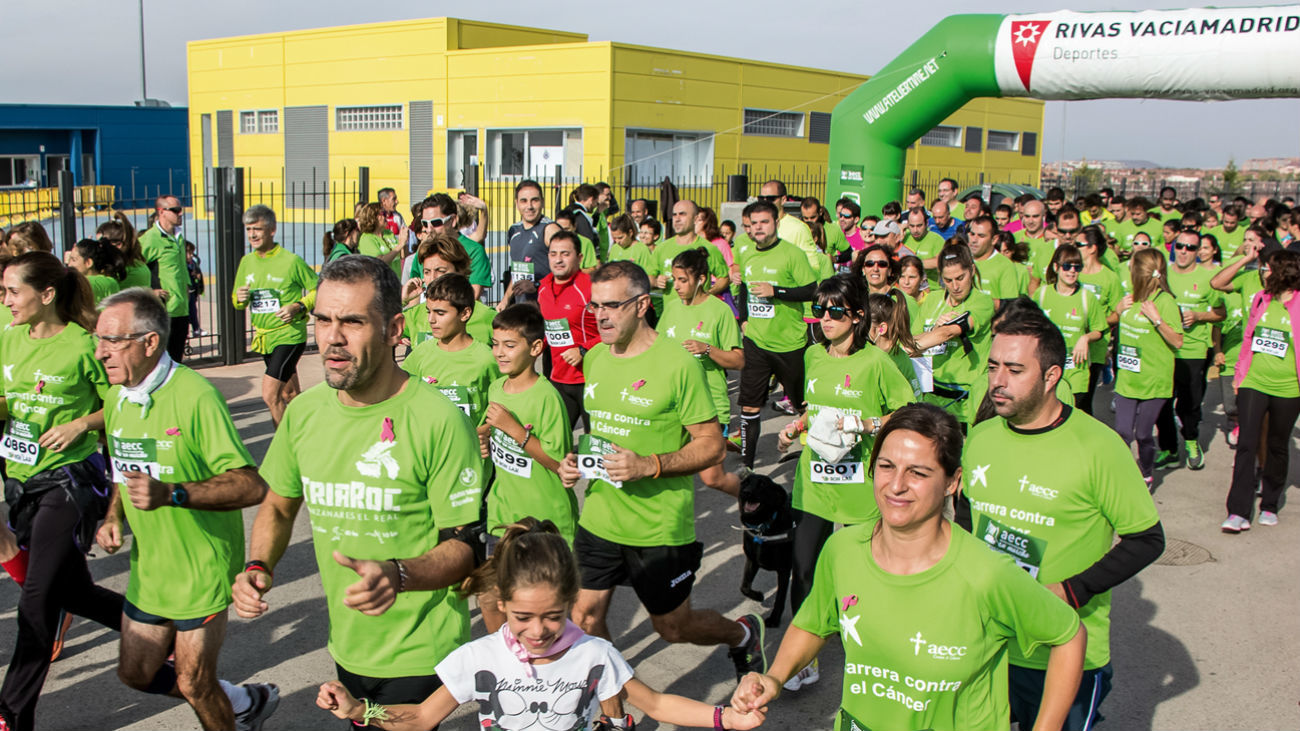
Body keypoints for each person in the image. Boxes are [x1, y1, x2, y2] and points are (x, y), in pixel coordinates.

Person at [233, 255, 485, 719]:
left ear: (393, 330)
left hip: (419, 648)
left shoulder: (440, 420)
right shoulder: (304, 414)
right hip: (347, 644)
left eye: (352, 322)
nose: (332, 337)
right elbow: (278, 505)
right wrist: (258, 564)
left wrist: (398, 575)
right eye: (323, 321)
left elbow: (466, 547)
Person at [732, 402, 1086, 731]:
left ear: (953, 482)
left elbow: (1069, 636)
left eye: (918, 472)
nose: (896, 485)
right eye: (886, 466)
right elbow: (812, 624)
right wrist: (774, 678)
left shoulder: (985, 573)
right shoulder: (843, 550)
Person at [317, 519, 766, 731]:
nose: (537, 631)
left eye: (553, 616)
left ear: (571, 602)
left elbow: (659, 705)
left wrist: (728, 717)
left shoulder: (594, 654)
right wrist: (361, 711)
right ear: (501, 603)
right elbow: (418, 718)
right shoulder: (479, 658)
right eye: (521, 617)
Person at [556, 260, 765, 696]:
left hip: (659, 524)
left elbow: (711, 443)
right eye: (595, 306)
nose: (601, 316)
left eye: (612, 306)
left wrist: (648, 465)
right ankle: (617, 716)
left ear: (642, 305)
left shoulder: (677, 364)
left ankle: (741, 635)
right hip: (599, 517)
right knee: (585, 619)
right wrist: (577, 461)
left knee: (673, 627)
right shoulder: (595, 358)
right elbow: (603, 435)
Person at [962, 307, 1163, 729]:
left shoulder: (1099, 447)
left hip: (1065, 654)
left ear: (1051, 376)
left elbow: (1147, 539)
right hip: (989, 646)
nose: (997, 381)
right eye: (994, 366)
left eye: (1015, 370)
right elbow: (968, 518)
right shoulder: (980, 437)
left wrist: (1071, 591)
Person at [93, 287, 272, 731]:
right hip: (151, 569)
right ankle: (242, 702)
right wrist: (113, 515)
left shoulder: (195, 396)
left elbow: (251, 484)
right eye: (98, 340)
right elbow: (123, 464)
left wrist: (172, 492)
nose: (100, 353)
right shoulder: (117, 397)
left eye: (112, 341)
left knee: (194, 683)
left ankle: (230, 712)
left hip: (201, 568)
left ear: (149, 342)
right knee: (135, 673)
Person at [773, 274, 914, 691]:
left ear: (856, 316)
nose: (825, 319)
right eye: (819, 310)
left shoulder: (876, 363)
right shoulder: (814, 357)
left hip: (859, 489)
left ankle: (868, 652)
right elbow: (813, 407)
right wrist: (794, 426)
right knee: (803, 571)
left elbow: (907, 410)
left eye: (835, 312)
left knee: (861, 577)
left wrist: (867, 423)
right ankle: (806, 658)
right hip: (814, 483)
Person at [0, 254, 113, 731]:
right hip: (20, 479)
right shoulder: (7, 338)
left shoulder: (85, 345)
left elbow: (120, 405)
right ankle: (154, 630)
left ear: (46, 295)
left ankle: (10, 715)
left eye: (12, 291)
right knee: (74, 591)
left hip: (70, 481)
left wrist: (80, 424)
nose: (5, 301)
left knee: (37, 600)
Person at [475, 307, 577, 630]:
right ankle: (507, 664)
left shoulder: (547, 397)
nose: (499, 353)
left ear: (535, 349)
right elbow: (488, 431)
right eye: (495, 344)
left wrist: (516, 431)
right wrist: (482, 440)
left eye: (509, 345)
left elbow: (560, 465)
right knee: (490, 598)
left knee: (544, 612)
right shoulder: (495, 387)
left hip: (544, 521)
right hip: (502, 514)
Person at [732, 200, 818, 469]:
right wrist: (744, 320)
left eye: (764, 222)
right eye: (754, 223)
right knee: (749, 406)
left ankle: (812, 455)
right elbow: (745, 288)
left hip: (789, 343)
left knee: (802, 403)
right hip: (756, 341)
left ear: (776, 224)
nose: (758, 228)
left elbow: (811, 291)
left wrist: (776, 291)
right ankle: (747, 466)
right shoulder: (746, 252)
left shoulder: (792, 254)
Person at [1222, 249, 1300, 532]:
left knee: (1277, 445)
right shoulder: (1261, 299)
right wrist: (1239, 376)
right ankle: (1237, 511)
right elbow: (1248, 337)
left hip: (1289, 387)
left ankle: (1269, 503)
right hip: (1255, 382)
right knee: (1247, 443)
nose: (1263, 272)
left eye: (1267, 268)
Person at [659, 248, 744, 497]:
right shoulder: (672, 308)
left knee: (713, 478)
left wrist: (706, 349)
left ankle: (755, 499)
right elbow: (655, 345)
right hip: (673, 404)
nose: (676, 286)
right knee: (672, 473)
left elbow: (738, 361)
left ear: (702, 279)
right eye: (675, 279)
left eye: (683, 280)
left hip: (710, 404)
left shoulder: (720, 312)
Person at [231, 205, 318, 427]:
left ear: (272, 230)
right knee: (290, 395)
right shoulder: (246, 262)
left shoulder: (291, 261)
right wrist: (239, 298)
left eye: (257, 229)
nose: (252, 234)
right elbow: (237, 301)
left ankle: (284, 450)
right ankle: (311, 433)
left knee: (270, 395)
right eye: (249, 229)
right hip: (265, 338)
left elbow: (319, 289)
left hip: (288, 336)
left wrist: (298, 305)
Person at [1153, 227, 1226, 470]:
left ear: (1198, 252)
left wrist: (1198, 315)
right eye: (1180, 246)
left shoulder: (1208, 279)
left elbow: (1220, 313)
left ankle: (1192, 440)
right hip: (1164, 350)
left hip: (1193, 351)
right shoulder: (1162, 275)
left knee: (1189, 405)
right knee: (1161, 403)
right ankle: (1169, 449)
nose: (1184, 251)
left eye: (1191, 247)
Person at [1113, 248, 1185, 487]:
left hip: (1154, 381)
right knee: (1123, 433)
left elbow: (1177, 341)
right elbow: (1107, 322)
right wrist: (1117, 311)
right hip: (1127, 379)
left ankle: (1145, 472)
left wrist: (1157, 320)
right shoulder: (1129, 298)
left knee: (1143, 435)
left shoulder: (1165, 302)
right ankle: (1121, 475)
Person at [912, 244, 996, 428]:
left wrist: (909, 347)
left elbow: (949, 332)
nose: (955, 286)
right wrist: (930, 332)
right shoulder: (933, 300)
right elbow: (914, 337)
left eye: (960, 278)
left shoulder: (982, 301)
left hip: (965, 401)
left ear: (972, 270)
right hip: (932, 397)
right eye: (948, 280)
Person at [402, 273, 497, 428]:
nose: (431, 320)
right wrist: (402, 300)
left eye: (440, 313)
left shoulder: (486, 359)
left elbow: (505, 405)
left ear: (465, 313)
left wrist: (486, 431)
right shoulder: (420, 354)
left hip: (471, 450)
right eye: (428, 311)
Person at [538, 231, 601, 431]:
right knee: (557, 444)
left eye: (565, 254)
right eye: (553, 254)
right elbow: (549, 330)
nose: (558, 260)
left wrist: (583, 350)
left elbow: (615, 330)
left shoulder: (590, 288)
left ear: (579, 258)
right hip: (558, 377)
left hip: (589, 379)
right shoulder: (543, 288)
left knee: (594, 446)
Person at [1034, 244, 1108, 411]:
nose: (1072, 271)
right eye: (1067, 266)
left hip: (1076, 370)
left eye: (1077, 267)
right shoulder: (1042, 294)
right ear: (1056, 267)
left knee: (1073, 416)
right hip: (1046, 368)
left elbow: (1099, 329)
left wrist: (1086, 338)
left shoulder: (1087, 297)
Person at [401, 233, 494, 346]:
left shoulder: (486, 316)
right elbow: (379, 326)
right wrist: (402, 300)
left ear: (459, 271)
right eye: (427, 272)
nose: (432, 278)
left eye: (440, 270)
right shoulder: (414, 316)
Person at [137, 195, 193, 362]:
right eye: (175, 210)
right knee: (160, 361)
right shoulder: (149, 239)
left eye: (180, 209)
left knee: (176, 359)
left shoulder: (178, 237)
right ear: (161, 212)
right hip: (164, 311)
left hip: (181, 308)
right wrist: (148, 291)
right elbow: (133, 270)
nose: (180, 213)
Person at [420, 193, 491, 299]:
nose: (429, 229)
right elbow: (415, 296)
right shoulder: (424, 251)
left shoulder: (474, 251)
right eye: (425, 224)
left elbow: (473, 296)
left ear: (453, 220)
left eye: (436, 222)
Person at [506, 179, 560, 304]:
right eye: (524, 201)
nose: (529, 206)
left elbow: (566, 269)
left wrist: (536, 285)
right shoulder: (514, 230)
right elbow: (517, 271)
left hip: (548, 307)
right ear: (517, 203)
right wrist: (505, 300)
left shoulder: (550, 229)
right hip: (524, 309)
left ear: (542, 202)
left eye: (534, 200)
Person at [867, 290, 923, 396]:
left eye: (864, 326)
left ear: (881, 329)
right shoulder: (860, 353)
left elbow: (914, 401)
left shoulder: (899, 360)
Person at [966, 216, 1021, 304]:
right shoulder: (962, 259)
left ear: (994, 240)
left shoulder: (1005, 266)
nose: (974, 240)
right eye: (972, 234)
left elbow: (1009, 305)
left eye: (981, 236)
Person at [97, 213, 152, 290]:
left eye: (101, 243)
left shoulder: (122, 271)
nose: (98, 247)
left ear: (118, 244)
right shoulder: (138, 264)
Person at [65, 238, 126, 304]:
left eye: (73, 260)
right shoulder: (111, 282)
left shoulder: (101, 282)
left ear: (88, 263)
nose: (69, 265)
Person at [356, 202, 404, 278]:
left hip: (395, 281)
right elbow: (379, 262)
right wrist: (400, 245)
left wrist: (404, 241)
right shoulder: (367, 238)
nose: (387, 216)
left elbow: (402, 256)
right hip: (380, 284)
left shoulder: (388, 233)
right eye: (383, 213)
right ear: (373, 217)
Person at [904, 208, 946, 289]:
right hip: (907, 289)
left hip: (931, 289)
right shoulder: (904, 237)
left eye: (919, 225)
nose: (915, 230)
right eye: (912, 226)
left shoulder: (936, 239)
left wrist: (912, 264)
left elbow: (938, 262)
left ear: (926, 223)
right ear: (907, 224)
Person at [184, 241, 206, 337]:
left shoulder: (193, 264)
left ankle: (196, 329)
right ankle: (187, 331)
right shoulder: (182, 265)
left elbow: (199, 275)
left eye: (192, 253)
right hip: (185, 292)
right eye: (188, 253)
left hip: (192, 291)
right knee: (186, 312)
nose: (191, 256)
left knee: (193, 311)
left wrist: (197, 277)